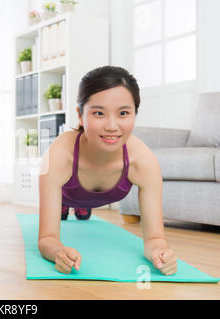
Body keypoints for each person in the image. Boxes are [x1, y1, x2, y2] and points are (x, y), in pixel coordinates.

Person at [38, 66, 178, 276]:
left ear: (135, 114)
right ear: (80, 115)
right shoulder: (58, 156)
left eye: (123, 113)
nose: (112, 126)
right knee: (60, 210)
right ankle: (65, 207)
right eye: (98, 113)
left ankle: (83, 208)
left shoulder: (143, 161)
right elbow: (47, 238)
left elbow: (155, 239)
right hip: (66, 193)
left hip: (88, 194)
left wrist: (160, 253)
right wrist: (59, 251)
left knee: (84, 215)